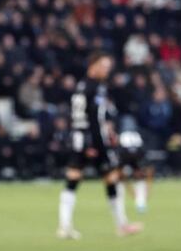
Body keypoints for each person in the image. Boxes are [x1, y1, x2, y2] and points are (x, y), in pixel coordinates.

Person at [56, 52, 141, 239]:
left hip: (84, 138)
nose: (106, 70)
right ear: (92, 65)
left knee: (82, 179)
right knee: (101, 179)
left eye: (108, 67)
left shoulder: (87, 86)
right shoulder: (92, 88)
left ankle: (65, 226)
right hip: (92, 140)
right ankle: (120, 225)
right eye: (103, 66)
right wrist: (93, 143)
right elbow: (91, 119)